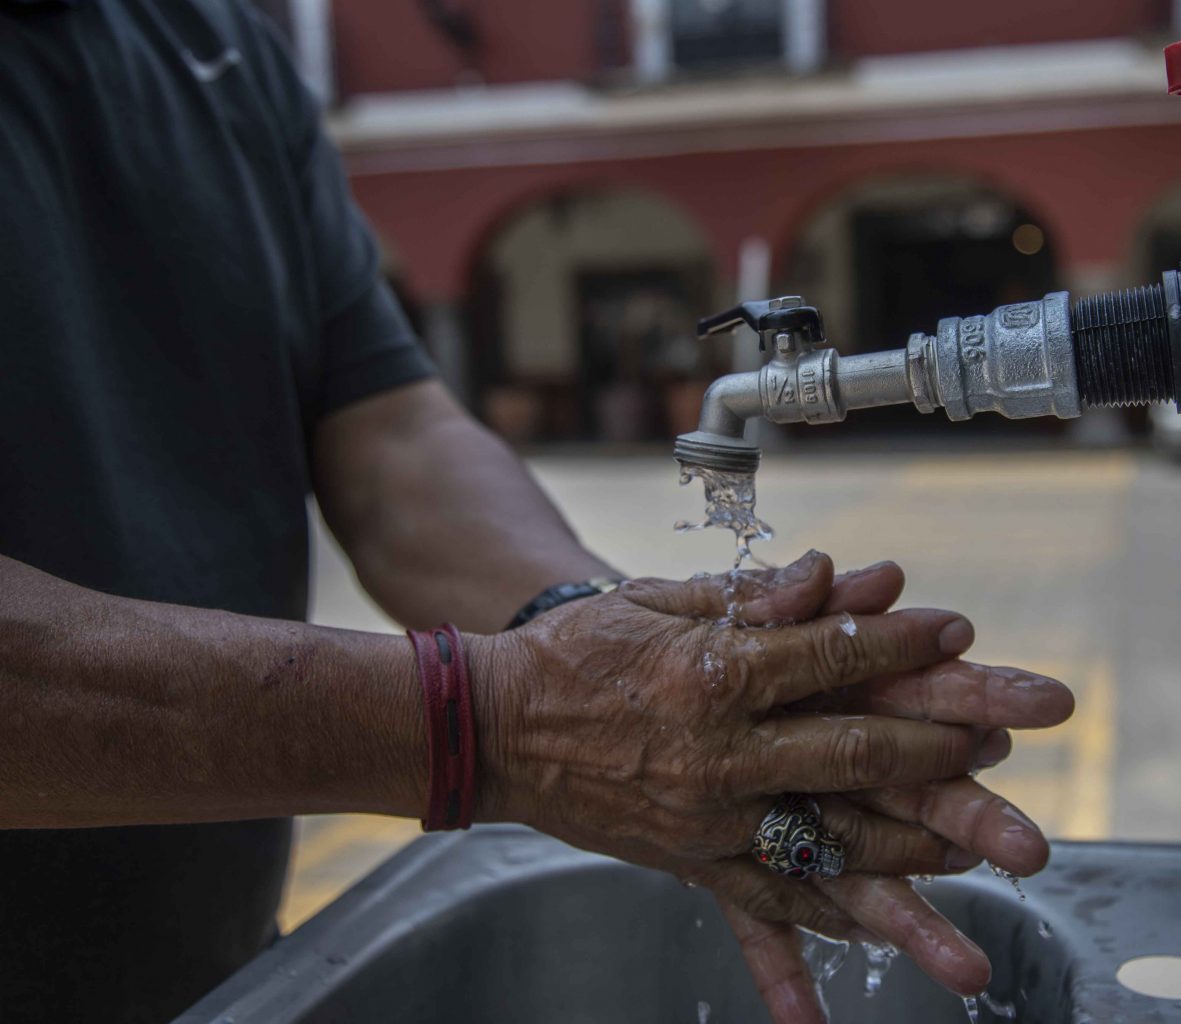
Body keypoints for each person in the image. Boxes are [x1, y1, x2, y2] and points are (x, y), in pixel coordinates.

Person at [0, 2, 1074, 1022]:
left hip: (221, 976)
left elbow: (390, 438)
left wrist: (614, 652)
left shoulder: (214, 46)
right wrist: (501, 724)